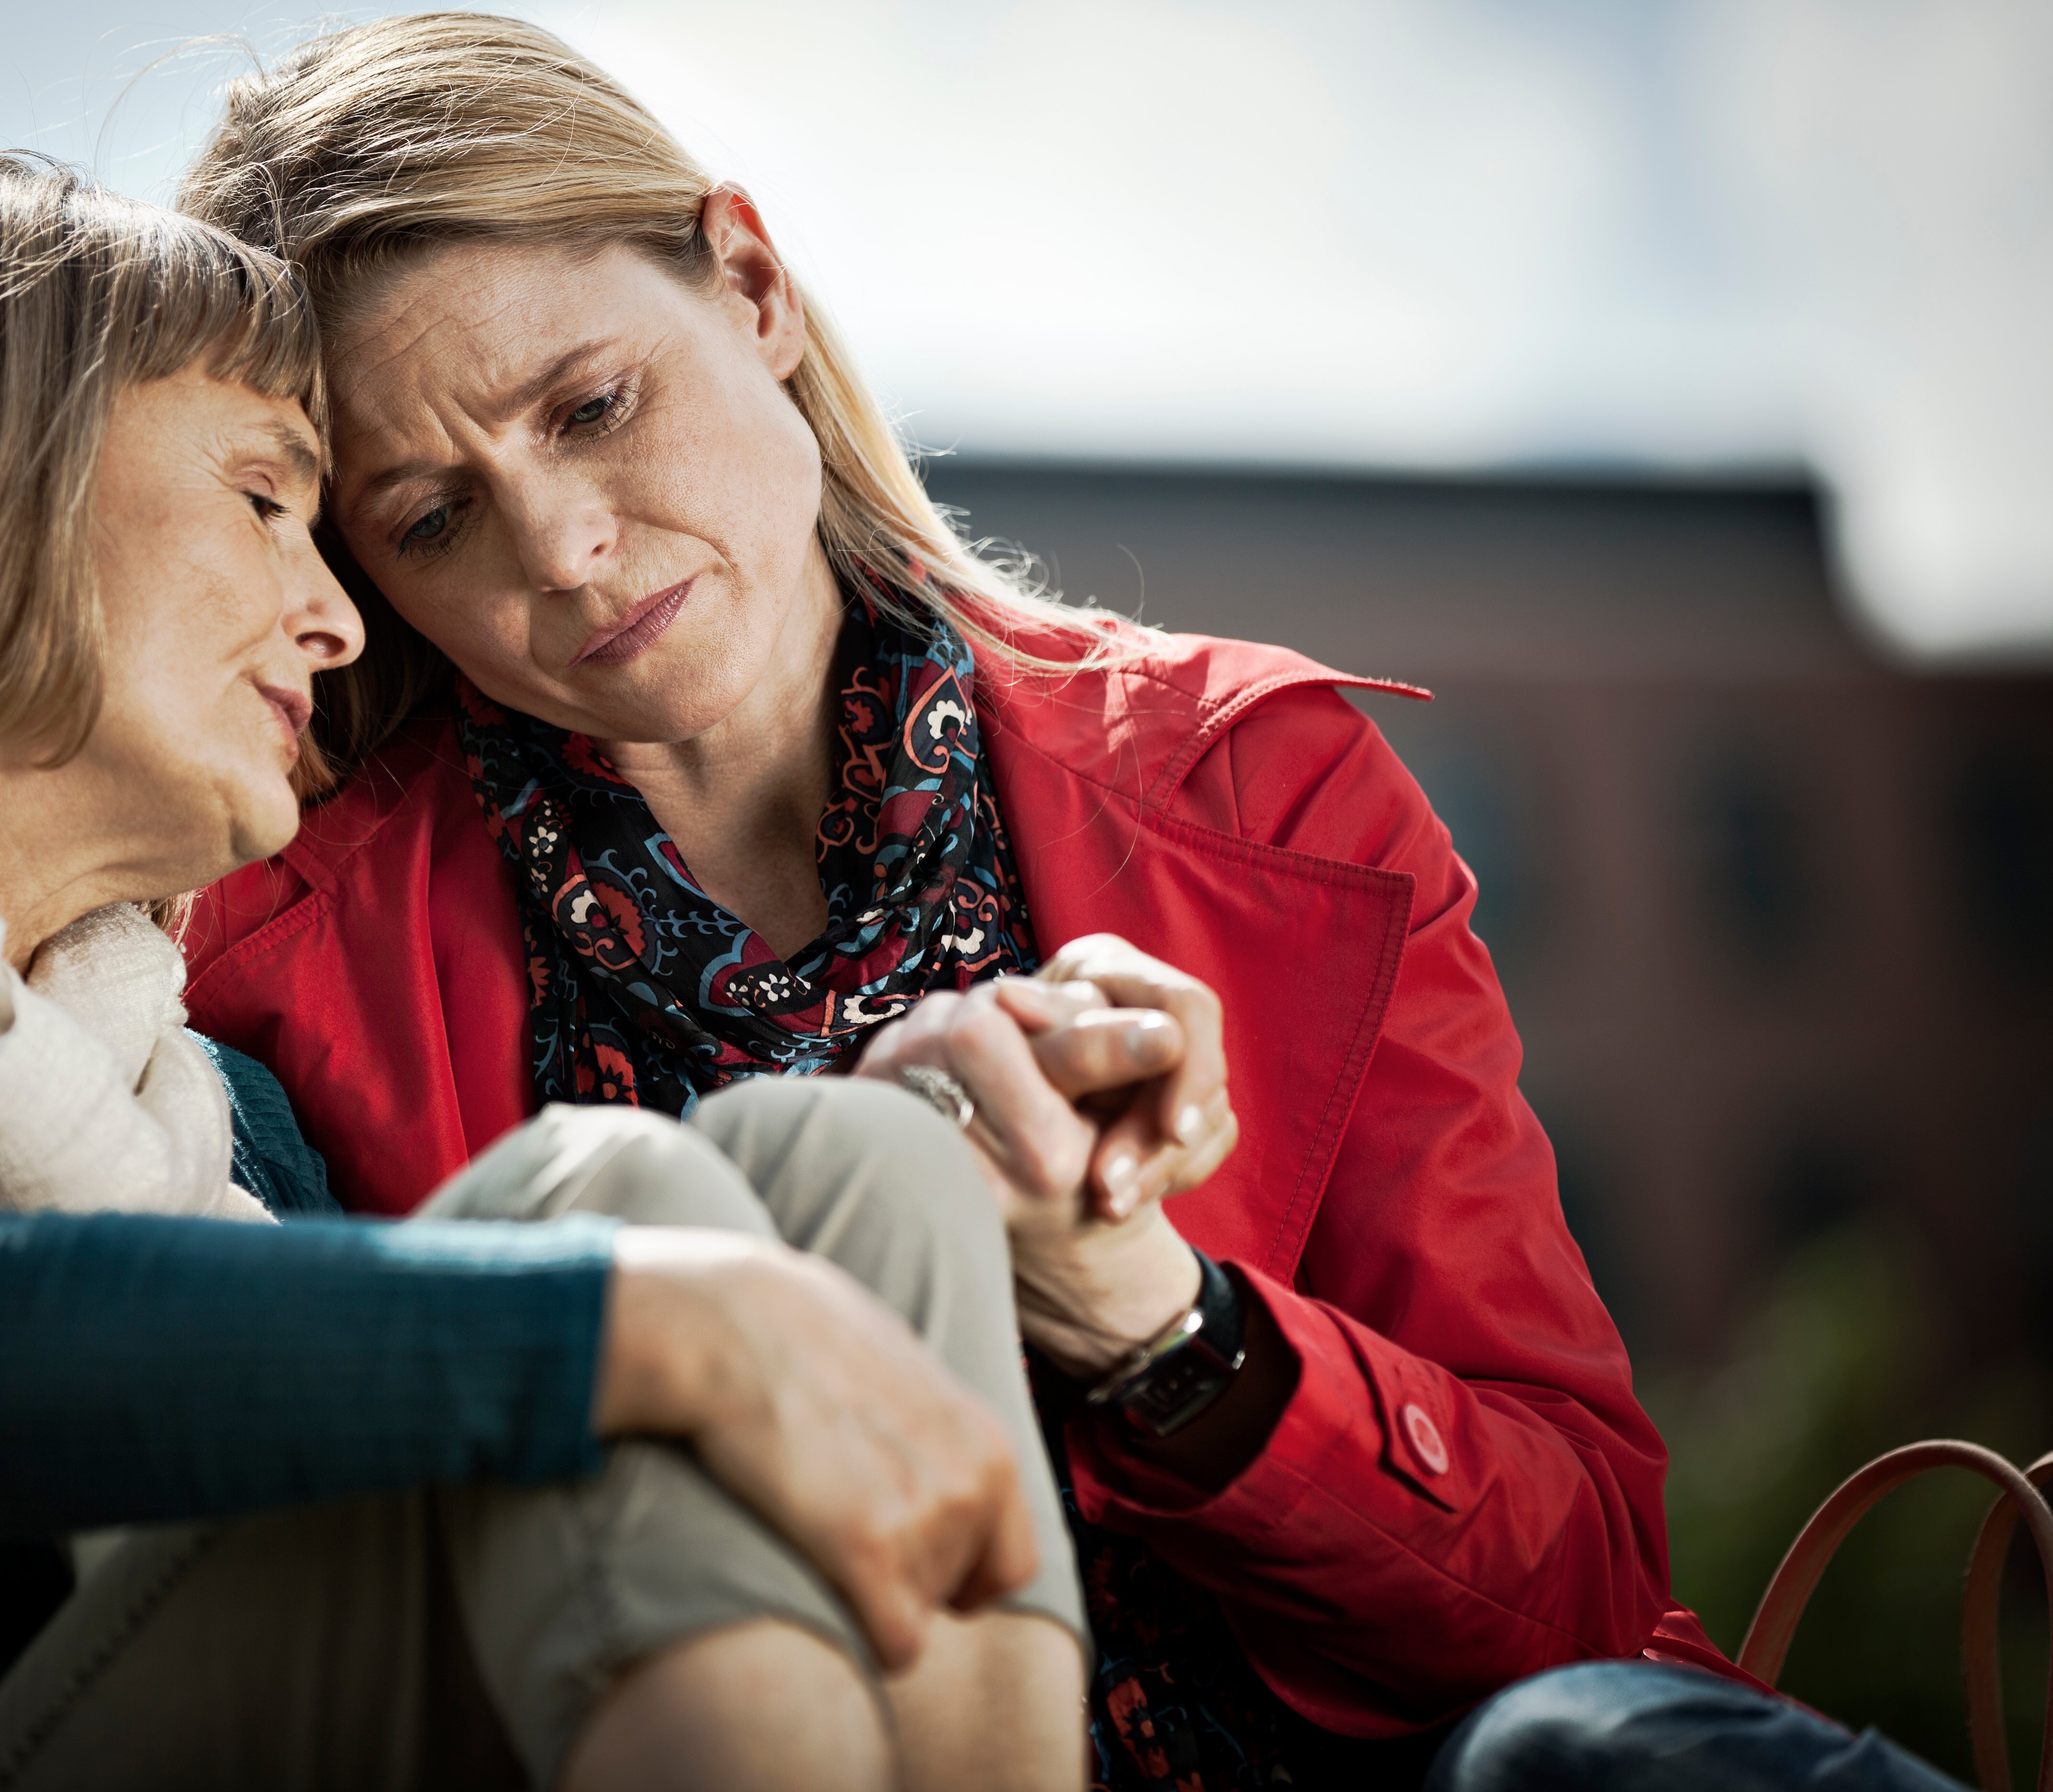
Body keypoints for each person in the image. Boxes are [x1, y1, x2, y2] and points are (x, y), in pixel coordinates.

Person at [165, 15, 1957, 1790]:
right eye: (431, 516)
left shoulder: (1271, 785)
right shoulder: (262, 981)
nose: (558, 543)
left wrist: (1158, 1318)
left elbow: (1577, 1591)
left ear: (753, 287)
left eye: (593, 405)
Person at [0, 153, 1099, 1792]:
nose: (340, 623)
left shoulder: (222, 1124)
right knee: (617, 1209)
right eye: (270, 501)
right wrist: (650, 1313)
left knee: (856, 1167)